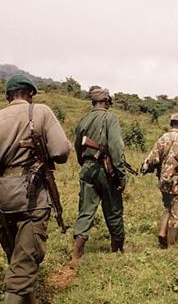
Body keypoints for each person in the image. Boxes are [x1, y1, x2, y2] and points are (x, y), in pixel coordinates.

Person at [0, 74, 71, 304]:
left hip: (5, 199)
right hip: (34, 199)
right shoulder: (41, 112)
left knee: (18, 260)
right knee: (21, 271)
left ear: (8, 96)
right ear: (30, 94)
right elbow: (61, 152)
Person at [70, 87, 128, 269]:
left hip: (87, 167)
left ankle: (77, 251)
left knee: (86, 209)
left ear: (93, 102)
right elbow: (116, 148)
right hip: (106, 169)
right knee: (113, 208)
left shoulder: (84, 119)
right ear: (107, 102)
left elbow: (77, 147)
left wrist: (85, 163)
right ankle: (117, 248)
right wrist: (121, 175)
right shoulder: (110, 118)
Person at [140, 113, 178, 248]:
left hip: (164, 180)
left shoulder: (163, 138)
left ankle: (162, 233)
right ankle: (171, 244)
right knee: (176, 213)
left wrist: (147, 167)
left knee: (167, 206)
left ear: (171, 123)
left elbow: (153, 159)